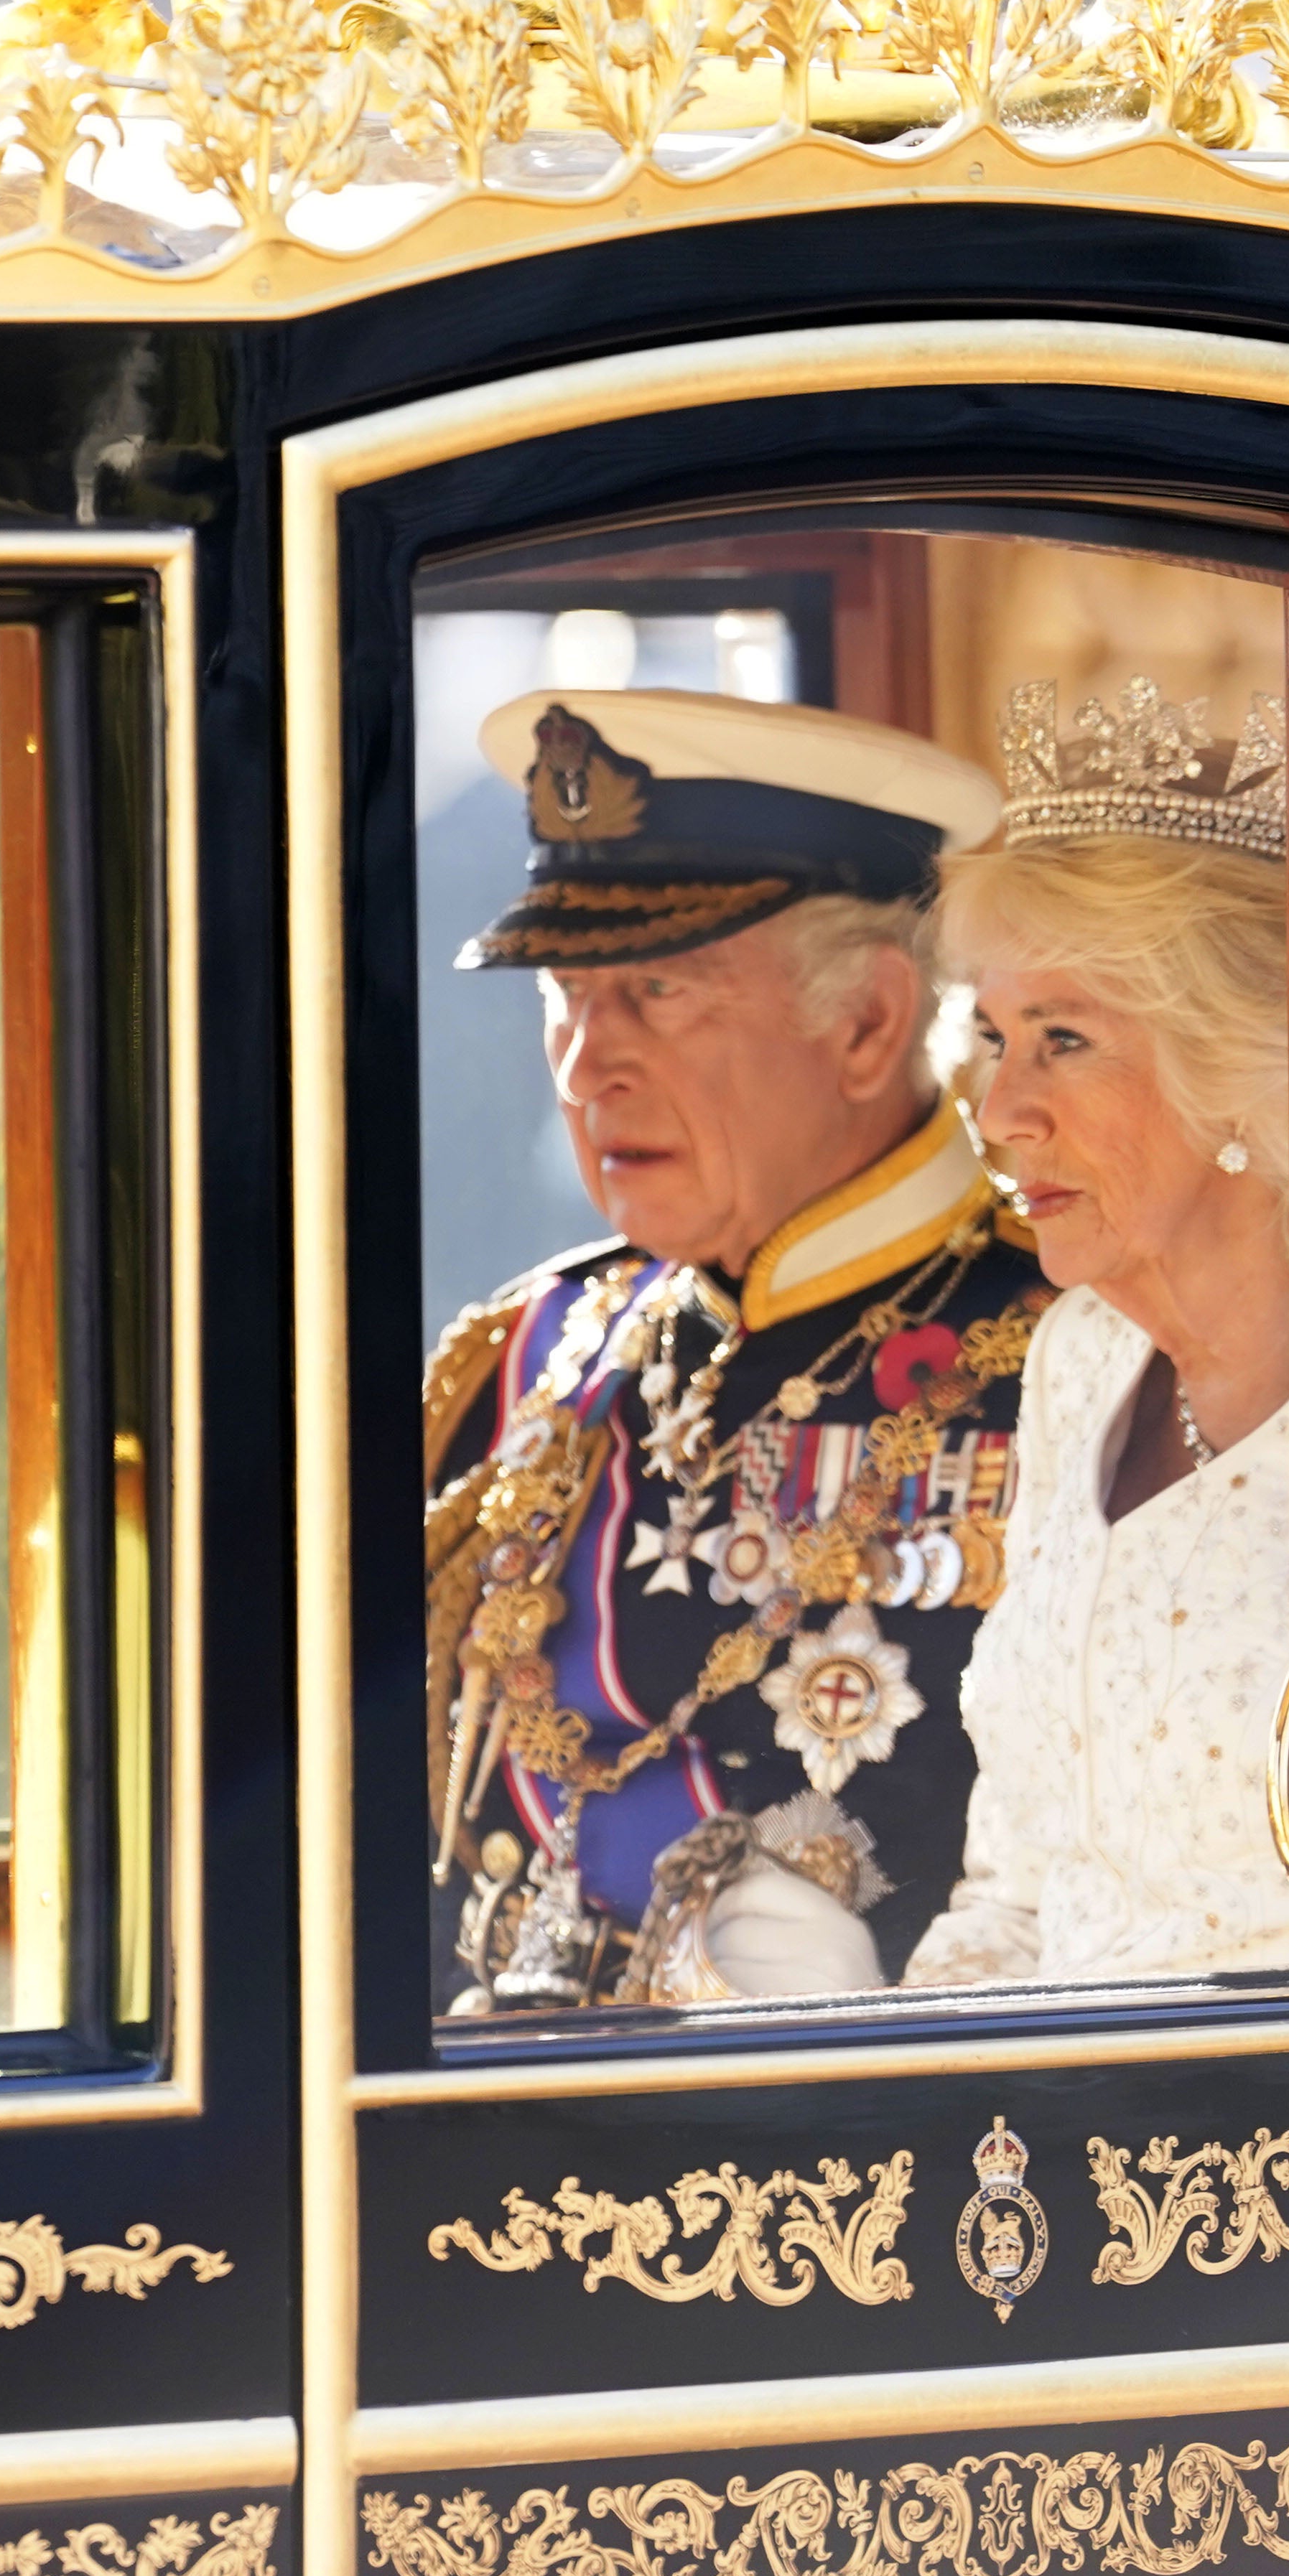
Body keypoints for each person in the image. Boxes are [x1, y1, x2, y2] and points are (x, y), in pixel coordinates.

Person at [423, 688, 1053, 2012]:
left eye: (657, 992)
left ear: (871, 1024)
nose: (590, 1066)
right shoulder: (540, 1346)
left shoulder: (1065, 1349)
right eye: (566, 998)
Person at [906, 679, 1289, 1987]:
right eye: (996, 1038)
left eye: (1064, 1040)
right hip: (1042, 2129)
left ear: (1243, 1066)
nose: (1001, 1109)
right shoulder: (1080, 1362)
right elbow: (1018, 1889)